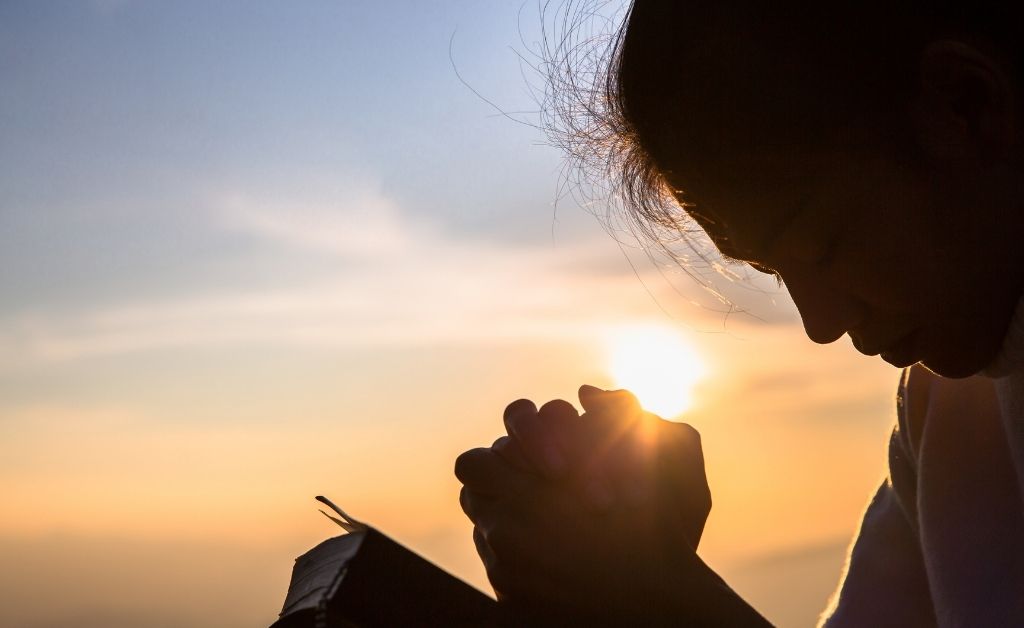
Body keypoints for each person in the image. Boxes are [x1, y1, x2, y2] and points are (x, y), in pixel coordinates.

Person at [456, 2, 1024, 626]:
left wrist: (660, 597)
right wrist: (626, 555)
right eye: (773, 271)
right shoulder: (945, 411)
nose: (821, 323)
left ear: (966, 106)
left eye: (825, 242)